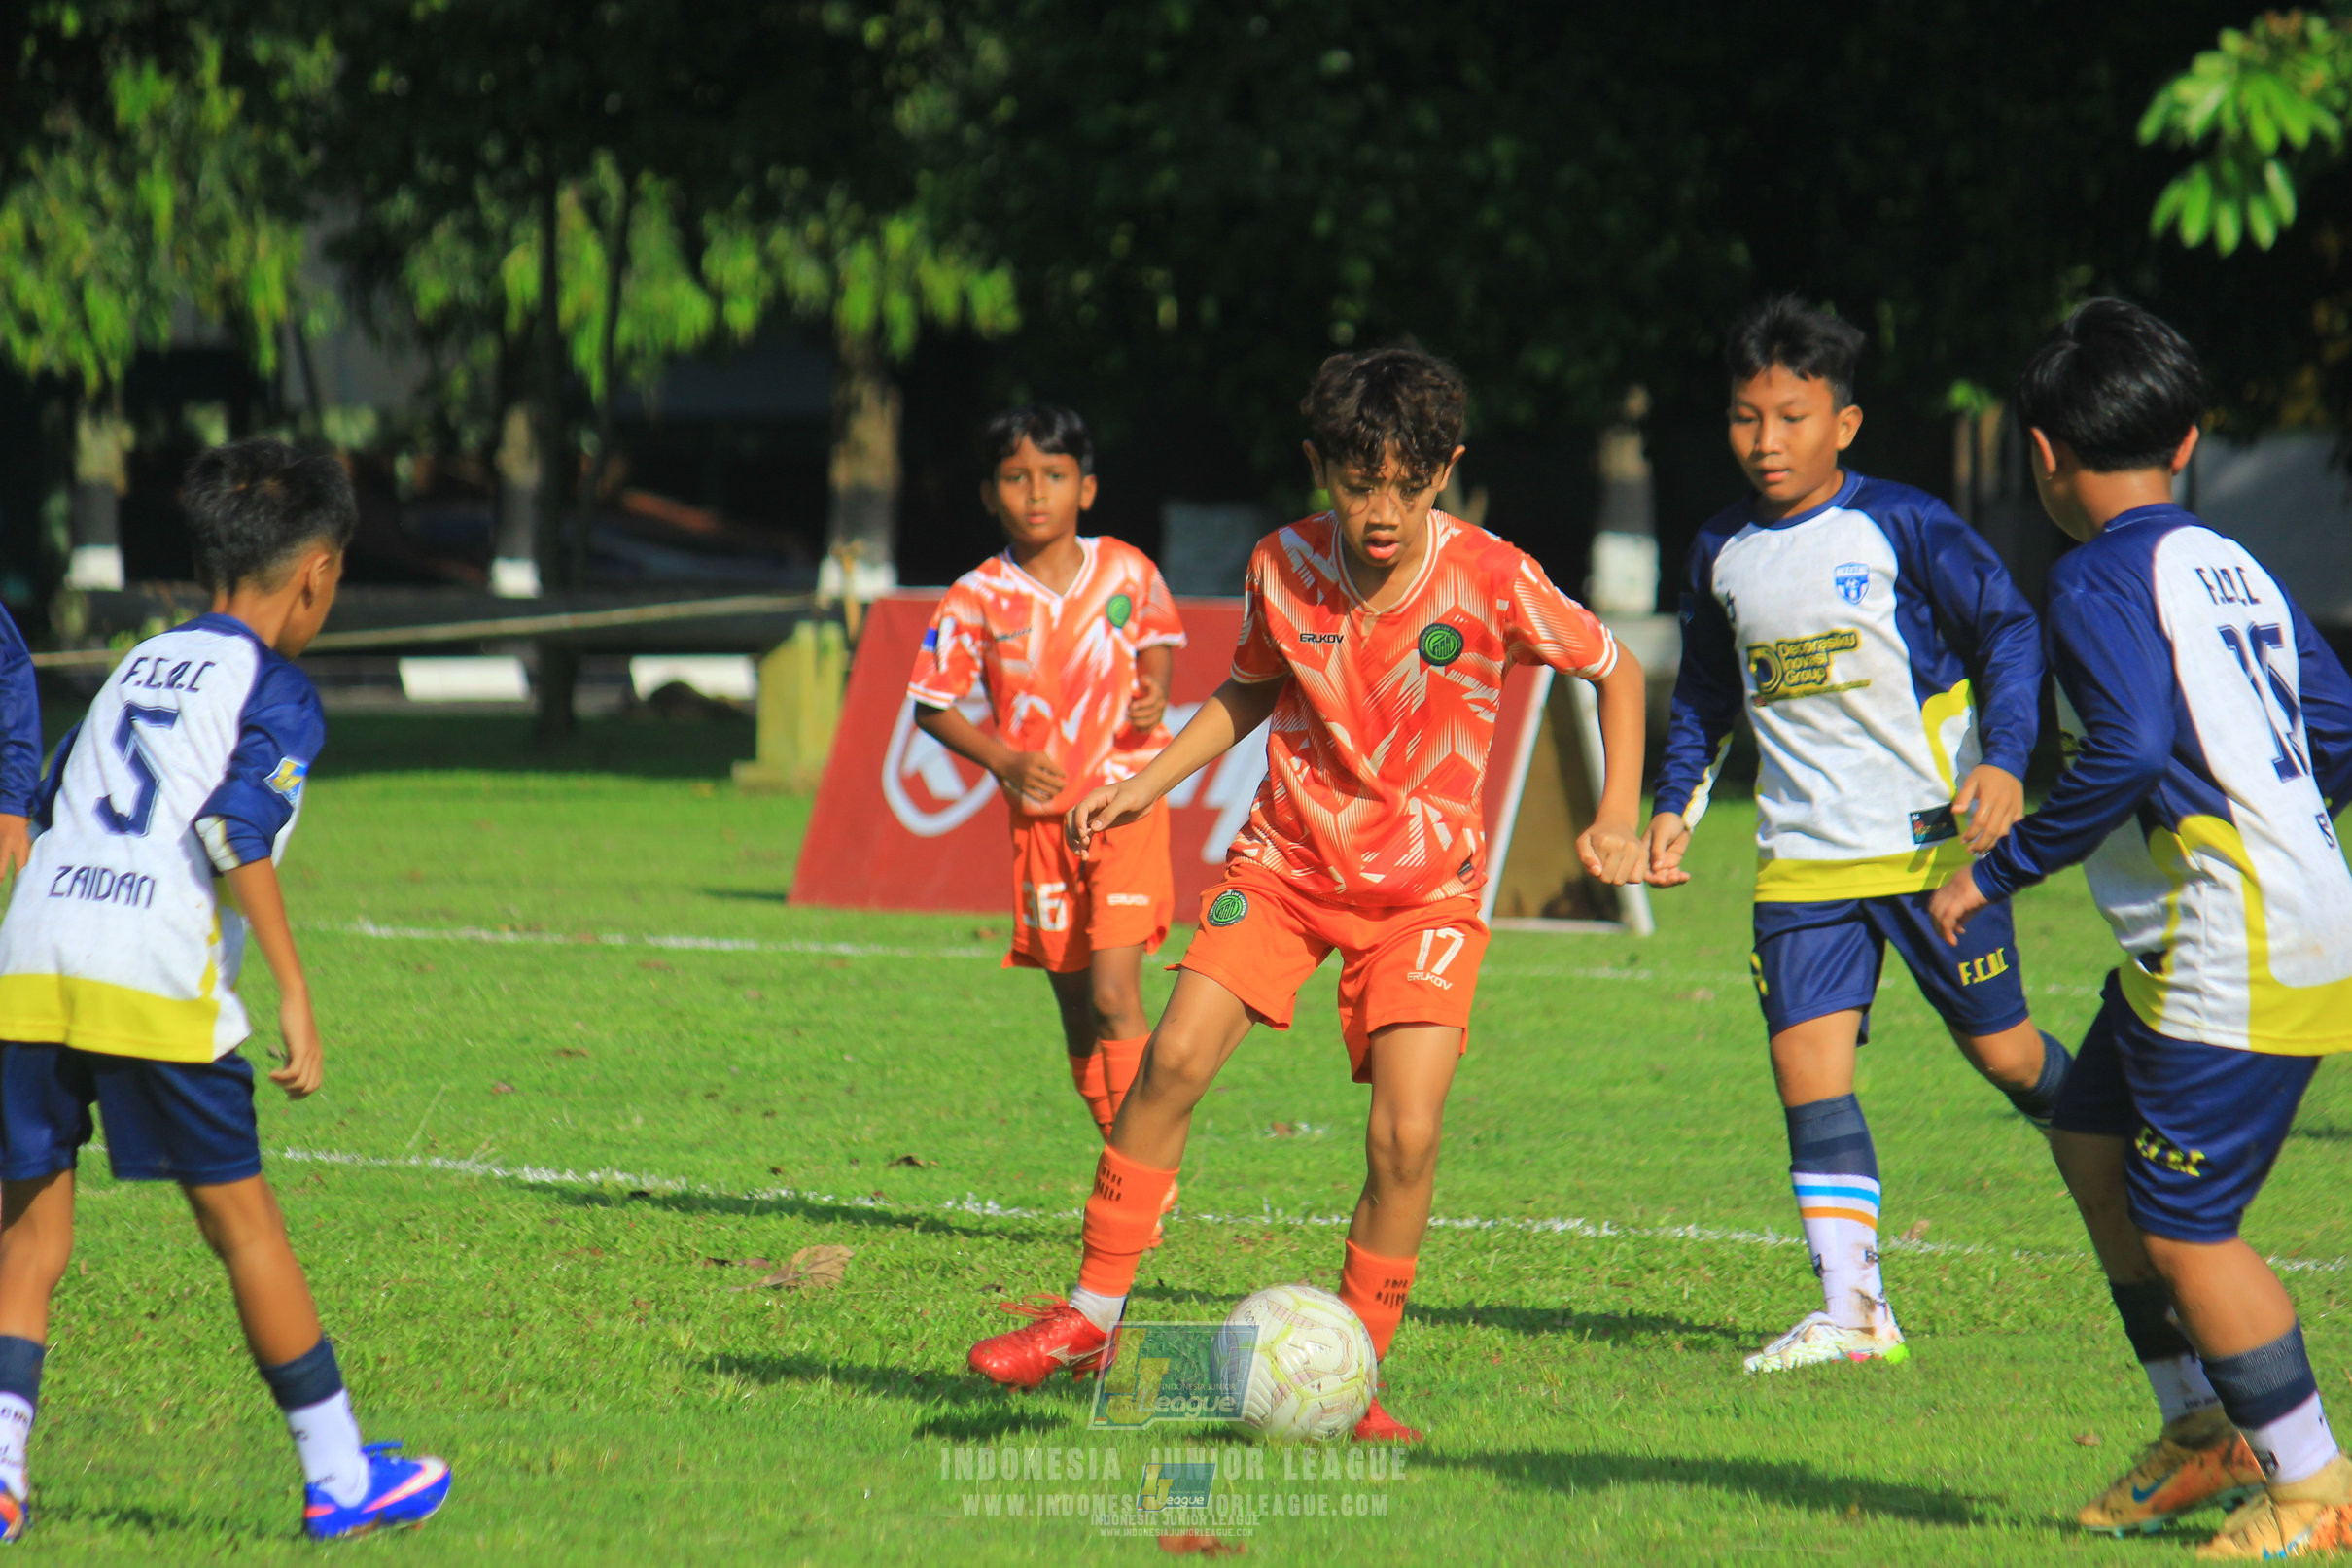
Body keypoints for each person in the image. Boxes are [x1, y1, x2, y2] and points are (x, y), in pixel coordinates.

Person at [963, 344, 1648, 1443]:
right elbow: (1248, 686)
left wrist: (1617, 813)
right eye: (1356, 479)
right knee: (1172, 1054)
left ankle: (1353, 1373)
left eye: (1409, 484)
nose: (1382, 509)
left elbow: (1615, 667)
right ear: (1317, 464)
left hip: (1426, 893)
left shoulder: (1490, 575)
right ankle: (1090, 1314)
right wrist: (1142, 785)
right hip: (1284, 865)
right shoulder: (1281, 563)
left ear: (1446, 470)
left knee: (1406, 1136)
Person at [1931, 299, 2352, 1558]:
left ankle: (2309, 1485)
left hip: (2238, 942)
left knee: (2183, 1226)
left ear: (2043, 451)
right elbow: (2331, 724)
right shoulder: (2229, 565)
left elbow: (2117, 747)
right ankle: (2199, 1431)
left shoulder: (2092, 576)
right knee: (2086, 1132)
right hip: (2225, 926)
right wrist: (2272, 818)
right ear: (2184, 441)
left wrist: (1994, 870)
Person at [0, 438, 451, 1543]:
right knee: (244, 1225)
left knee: (24, 1238)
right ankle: (341, 1473)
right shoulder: (277, 688)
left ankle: (2, 1473)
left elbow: (55, 791)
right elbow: (232, 827)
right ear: (318, 575)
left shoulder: (134, 663)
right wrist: (294, 985)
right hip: (152, 973)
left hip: (29, 967)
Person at [1645, 296, 2066, 1375]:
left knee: (2010, 1055)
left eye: (1791, 416)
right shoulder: (1719, 550)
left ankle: (2131, 1150)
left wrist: (2006, 758)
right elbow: (1703, 695)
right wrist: (1671, 804)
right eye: (1745, 417)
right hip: (1800, 862)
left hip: (1930, 849)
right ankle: (1856, 1313)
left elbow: (2008, 626)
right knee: (1809, 1074)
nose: (1765, 440)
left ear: (1845, 422)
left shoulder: (1903, 525)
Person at [911, 405, 1186, 1153]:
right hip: (1041, 825)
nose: (1036, 493)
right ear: (988, 493)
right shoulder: (975, 596)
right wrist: (1003, 761)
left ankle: (1137, 1175)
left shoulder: (1130, 570)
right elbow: (931, 705)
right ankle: (1121, 1144)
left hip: (1125, 806)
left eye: (1054, 476)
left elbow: (1156, 645)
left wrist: (1154, 688)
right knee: (1077, 1014)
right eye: (1015, 477)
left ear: (1086, 489)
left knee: (1112, 996)